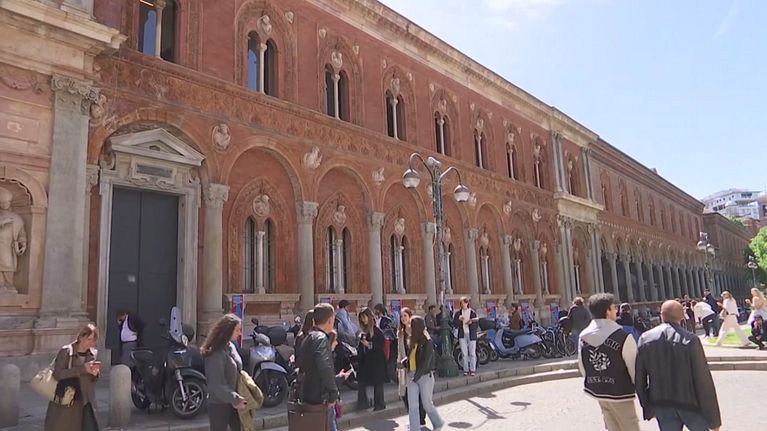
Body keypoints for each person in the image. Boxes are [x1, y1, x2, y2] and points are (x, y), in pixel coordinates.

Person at [635, 300, 721, 431]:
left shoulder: (645, 338)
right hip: (690, 404)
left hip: (662, 403)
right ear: (682, 317)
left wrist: (647, 406)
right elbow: (703, 380)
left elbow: (639, 379)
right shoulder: (690, 339)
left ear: (662, 315)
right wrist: (713, 420)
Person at [578, 293, 640, 431]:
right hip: (621, 392)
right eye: (613, 307)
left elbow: (582, 364)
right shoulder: (623, 336)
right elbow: (634, 367)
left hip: (598, 390)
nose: (616, 310)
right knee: (630, 425)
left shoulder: (583, 336)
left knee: (611, 426)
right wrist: (641, 391)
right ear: (607, 311)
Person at [44, 323, 101, 431]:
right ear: (81, 337)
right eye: (89, 339)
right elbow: (58, 374)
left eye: (93, 340)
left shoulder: (93, 353)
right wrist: (82, 369)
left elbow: (93, 379)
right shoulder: (66, 352)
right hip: (68, 399)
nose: (91, 343)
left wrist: (95, 373)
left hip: (87, 400)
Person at [295, 303, 339, 431]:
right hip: (320, 398)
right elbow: (325, 367)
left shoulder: (308, 337)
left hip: (308, 395)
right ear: (330, 320)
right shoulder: (321, 339)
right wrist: (333, 393)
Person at [200, 314, 246, 431]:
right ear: (228, 331)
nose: (240, 333)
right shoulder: (215, 353)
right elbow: (216, 384)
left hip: (233, 403)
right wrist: (235, 398)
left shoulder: (231, 346)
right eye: (237, 330)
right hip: (219, 404)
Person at [405, 316, 445, 431]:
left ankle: (438, 422)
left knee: (427, 404)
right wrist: (404, 363)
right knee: (413, 405)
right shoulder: (411, 340)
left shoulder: (427, 342)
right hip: (411, 374)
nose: (409, 327)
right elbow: (411, 357)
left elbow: (425, 363)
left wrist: (416, 377)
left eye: (411, 325)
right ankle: (415, 428)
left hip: (425, 376)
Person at [397, 307, 426, 427]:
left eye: (405, 316)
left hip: (414, 367)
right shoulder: (400, 332)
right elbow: (399, 350)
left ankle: (421, 419)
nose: (403, 318)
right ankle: (413, 417)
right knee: (404, 393)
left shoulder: (415, 330)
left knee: (417, 395)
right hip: (403, 367)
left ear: (410, 316)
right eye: (401, 316)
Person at [356, 307, 386, 411]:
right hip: (366, 361)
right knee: (361, 382)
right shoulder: (363, 332)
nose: (363, 320)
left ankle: (379, 404)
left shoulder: (377, 331)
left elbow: (380, 344)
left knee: (378, 383)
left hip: (377, 361)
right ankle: (362, 404)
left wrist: (368, 344)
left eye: (364, 317)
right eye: (361, 318)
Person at [452, 297, 478, 376]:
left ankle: (472, 369)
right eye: (461, 303)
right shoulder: (458, 313)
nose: (463, 305)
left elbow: (476, 324)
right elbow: (455, 324)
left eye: (464, 303)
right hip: (462, 334)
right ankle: (466, 370)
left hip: (471, 334)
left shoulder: (472, 312)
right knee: (464, 353)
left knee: (472, 353)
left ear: (467, 303)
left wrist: (471, 322)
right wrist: (459, 319)